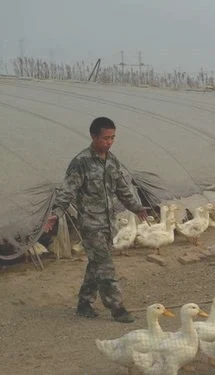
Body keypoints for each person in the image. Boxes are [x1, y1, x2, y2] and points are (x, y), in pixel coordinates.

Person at [43, 117, 148, 323]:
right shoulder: (81, 162)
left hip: (109, 223)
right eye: (106, 138)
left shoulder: (112, 160)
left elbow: (122, 188)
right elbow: (67, 190)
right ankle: (117, 308)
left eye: (113, 138)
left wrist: (136, 207)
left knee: (96, 264)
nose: (109, 142)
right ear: (94, 136)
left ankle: (84, 303)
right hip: (91, 224)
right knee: (105, 266)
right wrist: (56, 213)